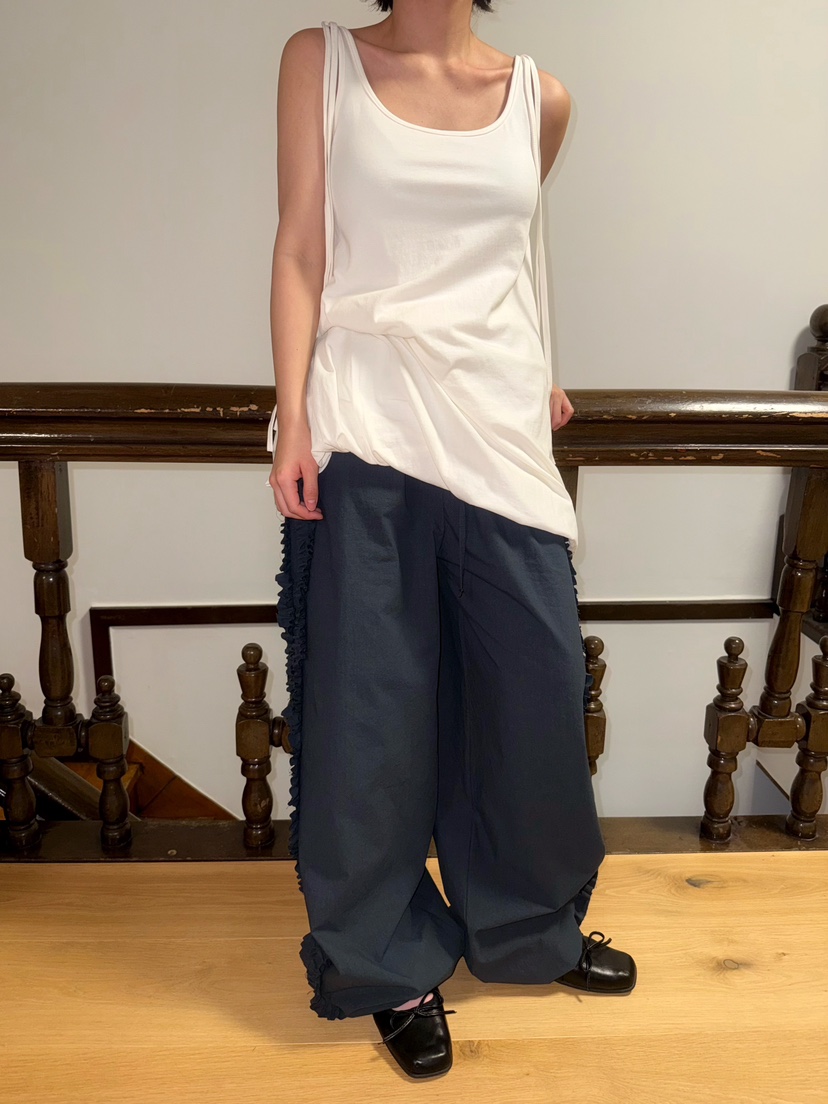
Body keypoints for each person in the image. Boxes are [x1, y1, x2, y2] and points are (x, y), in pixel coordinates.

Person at [265, 0, 636, 1081]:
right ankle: (385, 963)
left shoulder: (539, 97)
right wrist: (292, 414)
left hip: (495, 426)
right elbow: (300, 246)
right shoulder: (322, 61)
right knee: (371, 714)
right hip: (368, 420)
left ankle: (527, 928)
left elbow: (513, 251)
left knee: (532, 692)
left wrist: (542, 368)